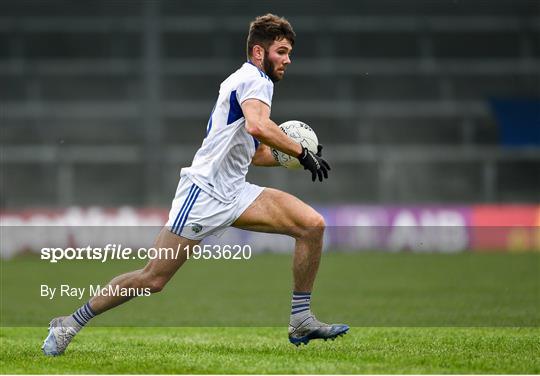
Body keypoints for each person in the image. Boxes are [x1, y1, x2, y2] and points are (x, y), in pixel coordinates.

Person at [42, 13, 348, 356]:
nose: (288, 59)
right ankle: (70, 322)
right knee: (153, 279)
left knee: (311, 225)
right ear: (259, 53)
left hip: (235, 192)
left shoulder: (248, 82)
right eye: (282, 51)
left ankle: (301, 319)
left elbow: (253, 151)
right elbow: (259, 127)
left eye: (290, 52)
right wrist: (300, 152)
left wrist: (291, 156)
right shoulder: (255, 79)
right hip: (203, 194)